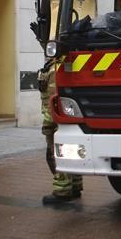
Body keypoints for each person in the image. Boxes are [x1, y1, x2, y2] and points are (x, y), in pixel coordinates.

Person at [39, 58, 83, 205]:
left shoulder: (54, 70)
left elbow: (53, 100)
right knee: (71, 154)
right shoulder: (60, 66)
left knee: (57, 155)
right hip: (65, 118)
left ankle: (61, 191)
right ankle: (75, 186)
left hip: (56, 121)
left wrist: (48, 124)